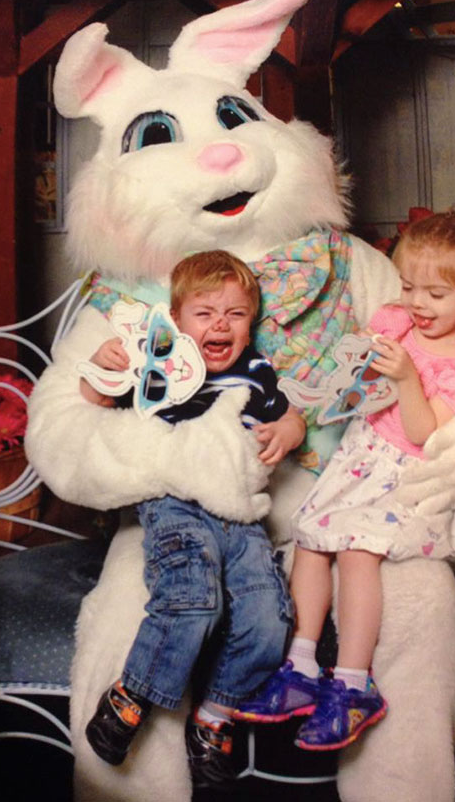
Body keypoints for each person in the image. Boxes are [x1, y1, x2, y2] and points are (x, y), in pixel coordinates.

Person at [235, 210, 455, 751]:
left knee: (357, 550)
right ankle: (302, 666)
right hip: (359, 460)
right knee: (312, 539)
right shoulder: (395, 320)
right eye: (408, 287)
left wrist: (406, 376)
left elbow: (426, 434)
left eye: (436, 294)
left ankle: (354, 684)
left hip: (407, 480)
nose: (417, 305)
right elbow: (348, 371)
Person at [82, 250, 306, 782]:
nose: (220, 324)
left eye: (235, 314)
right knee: (192, 601)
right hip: (176, 503)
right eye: (205, 313)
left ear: (251, 323)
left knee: (270, 618)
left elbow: (289, 413)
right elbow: (93, 407)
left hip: (242, 514)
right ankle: (129, 696)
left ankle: (215, 714)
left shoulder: (256, 370)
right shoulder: (156, 362)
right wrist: (103, 366)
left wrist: (291, 430)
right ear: (177, 321)